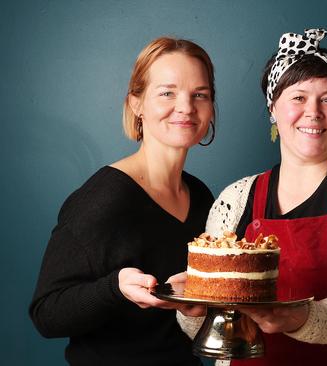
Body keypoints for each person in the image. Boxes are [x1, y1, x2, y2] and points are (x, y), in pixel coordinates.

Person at [177, 28, 327, 366]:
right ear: (273, 108)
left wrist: (302, 318)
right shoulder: (235, 198)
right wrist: (192, 309)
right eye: (298, 97)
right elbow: (212, 326)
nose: (313, 112)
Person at [29, 37, 217, 365]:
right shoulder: (105, 199)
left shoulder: (202, 197)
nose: (186, 107)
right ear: (136, 104)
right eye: (167, 92)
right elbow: (46, 314)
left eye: (199, 94)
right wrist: (115, 289)